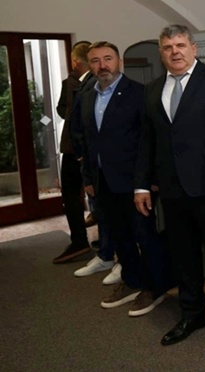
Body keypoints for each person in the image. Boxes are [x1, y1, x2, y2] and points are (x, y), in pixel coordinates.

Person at [135, 24, 205, 345]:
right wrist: (141, 185)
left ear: (194, 48)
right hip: (171, 189)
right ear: (161, 53)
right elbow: (147, 141)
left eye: (181, 45)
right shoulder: (152, 89)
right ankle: (192, 312)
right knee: (183, 255)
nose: (175, 51)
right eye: (168, 47)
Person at [78, 41, 171, 316]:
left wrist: (149, 179)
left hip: (135, 182)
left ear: (119, 62)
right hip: (103, 181)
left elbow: (150, 139)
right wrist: (88, 177)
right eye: (96, 60)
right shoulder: (87, 96)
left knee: (144, 236)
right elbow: (87, 140)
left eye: (108, 59)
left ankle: (154, 287)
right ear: (90, 65)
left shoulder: (140, 93)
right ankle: (131, 280)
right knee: (120, 236)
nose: (102, 65)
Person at [53, 41, 92, 263]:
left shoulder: (96, 82)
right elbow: (61, 108)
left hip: (84, 148)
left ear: (75, 60)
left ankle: (82, 242)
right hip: (70, 146)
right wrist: (70, 113)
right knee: (70, 195)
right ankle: (79, 239)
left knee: (91, 194)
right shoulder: (67, 83)